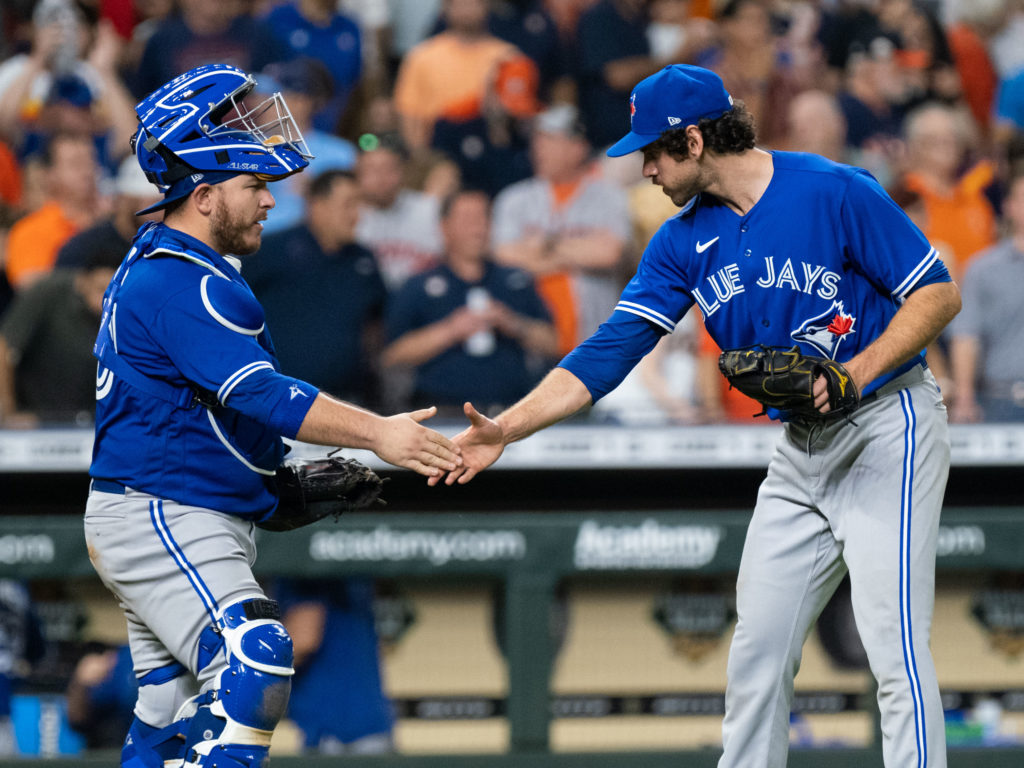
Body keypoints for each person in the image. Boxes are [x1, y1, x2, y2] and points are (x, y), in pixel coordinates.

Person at [435, 64, 961, 768]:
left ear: (692, 140)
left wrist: (856, 373)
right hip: (801, 446)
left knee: (894, 644)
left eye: (653, 151)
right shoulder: (680, 241)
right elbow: (607, 352)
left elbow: (936, 294)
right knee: (756, 655)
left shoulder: (833, 189)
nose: (645, 168)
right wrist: (509, 427)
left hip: (887, 424)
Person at [84, 64, 460, 768]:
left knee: (168, 726)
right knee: (254, 655)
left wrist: (266, 478)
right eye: (254, 185)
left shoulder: (169, 265)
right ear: (203, 196)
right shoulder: (180, 280)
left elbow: (199, 413)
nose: (268, 200)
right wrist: (380, 433)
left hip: (167, 509)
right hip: (166, 512)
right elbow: (260, 394)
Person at [383, 188, 557, 414]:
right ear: (444, 227)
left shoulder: (516, 280)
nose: (478, 227)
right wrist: (451, 330)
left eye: (484, 217)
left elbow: (552, 343)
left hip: (510, 411)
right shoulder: (419, 285)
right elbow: (392, 356)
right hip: (441, 413)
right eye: (467, 219)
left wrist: (512, 323)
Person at [491, 104, 631, 355]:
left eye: (549, 140)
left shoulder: (609, 198)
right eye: (537, 140)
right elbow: (503, 257)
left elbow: (609, 254)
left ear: (578, 148)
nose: (538, 148)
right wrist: (578, 252)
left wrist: (544, 246)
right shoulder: (514, 199)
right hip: (527, 346)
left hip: (595, 342)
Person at [246, 169, 386, 406]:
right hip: (280, 401)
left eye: (359, 205)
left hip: (349, 401)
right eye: (348, 205)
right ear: (317, 206)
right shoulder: (269, 251)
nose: (356, 216)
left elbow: (376, 323)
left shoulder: (364, 260)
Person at [0, 247, 121, 427]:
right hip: (36, 419)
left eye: (111, 293)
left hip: (96, 420)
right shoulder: (48, 292)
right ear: (83, 282)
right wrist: (9, 412)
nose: (103, 301)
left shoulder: (124, 309)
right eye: (100, 289)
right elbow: (5, 346)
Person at [276, 578, 394, 754]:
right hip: (363, 726)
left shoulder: (306, 573)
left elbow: (302, 641)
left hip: (342, 734)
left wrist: (242, 666)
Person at [948, 167, 1024, 423]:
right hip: (1000, 398)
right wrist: (964, 398)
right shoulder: (983, 269)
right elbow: (966, 336)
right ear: (1009, 206)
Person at [392, 0, 518, 152]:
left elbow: (516, 115)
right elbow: (408, 113)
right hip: (438, 150)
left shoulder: (507, 56)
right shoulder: (421, 56)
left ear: (486, 6)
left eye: (473, 3)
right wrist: (420, 155)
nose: (466, 10)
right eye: (459, 4)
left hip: (491, 149)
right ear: (446, 8)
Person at [4, 131, 98, 291]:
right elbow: (30, 286)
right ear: (50, 174)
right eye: (75, 164)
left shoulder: (114, 221)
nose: (87, 171)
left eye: (91, 161)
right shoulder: (31, 230)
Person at [354, 132, 443, 290]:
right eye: (372, 169)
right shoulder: (348, 216)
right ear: (358, 173)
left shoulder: (430, 210)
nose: (381, 178)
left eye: (388, 169)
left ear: (402, 171)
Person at [55, 155, 161, 270]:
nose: (160, 212)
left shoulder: (164, 245)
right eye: (152, 203)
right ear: (125, 201)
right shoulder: (87, 246)